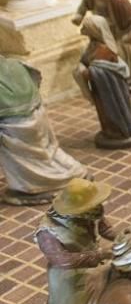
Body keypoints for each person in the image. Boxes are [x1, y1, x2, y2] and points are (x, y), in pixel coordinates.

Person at [34, 178, 116, 304]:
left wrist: (124, 237)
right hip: (68, 279)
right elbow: (61, 260)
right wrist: (99, 254)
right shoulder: (48, 230)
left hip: (95, 270)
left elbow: (106, 228)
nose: (96, 209)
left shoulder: (91, 210)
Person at [0, 56, 88, 205]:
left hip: (16, 126)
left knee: (33, 162)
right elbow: (36, 77)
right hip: (36, 114)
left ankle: (40, 184)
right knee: (47, 153)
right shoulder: (14, 63)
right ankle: (71, 171)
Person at [74, 16, 131, 149]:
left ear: (93, 30)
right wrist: (82, 66)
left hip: (111, 91)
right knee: (104, 112)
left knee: (113, 111)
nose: (83, 30)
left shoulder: (105, 49)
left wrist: (88, 73)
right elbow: (87, 60)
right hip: (101, 89)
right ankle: (110, 131)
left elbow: (105, 71)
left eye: (85, 28)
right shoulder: (93, 45)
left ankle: (120, 132)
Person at [71, 0, 131, 88]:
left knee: (121, 52)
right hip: (102, 32)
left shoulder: (117, 0)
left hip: (120, 32)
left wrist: (129, 35)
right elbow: (83, 7)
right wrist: (79, 16)